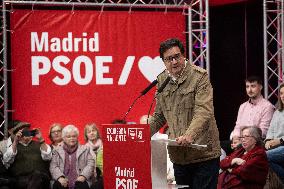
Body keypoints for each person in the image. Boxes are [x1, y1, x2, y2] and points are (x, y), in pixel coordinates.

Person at [149, 38, 220, 189]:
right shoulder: (162, 80)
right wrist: (140, 134)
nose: (174, 62)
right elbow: (159, 116)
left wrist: (190, 135)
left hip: (203, 155)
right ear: (163, 61)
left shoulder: (199, 76)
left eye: (177, 56)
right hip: (179, 156)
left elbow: (203, 111)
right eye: (169, 59)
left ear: (183, 55)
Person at [3, 121, 52, 189]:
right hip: (22, 179)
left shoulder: (40, 144)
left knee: (37, 175)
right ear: (17, 134)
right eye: (23, 132)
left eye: (27, 131)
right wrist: (15, 141)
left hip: (42, 178)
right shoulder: (13, 147)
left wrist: (40, 139)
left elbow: (48, 157)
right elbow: (6, 161)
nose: (26, 134)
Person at [50, 124, 95, 189]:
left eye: (74, 136)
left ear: (77, 137)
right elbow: (53, 166)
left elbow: (90, 164)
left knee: (81, 186)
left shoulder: (85, 149)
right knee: (59, 185)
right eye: (68, 137)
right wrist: (60, 177)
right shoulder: (56, 151)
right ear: (64, 138)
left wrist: (83, 176)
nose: (72, 139)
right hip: (61, 179)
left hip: (81, 179)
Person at [265, 83, 284, 183]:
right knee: (262, 157)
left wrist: (280, 140)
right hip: (275, 146)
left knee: (261, 156)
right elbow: (271, 130)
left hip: (282, 145)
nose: (283, 96)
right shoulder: (278, 112)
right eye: (281, 93)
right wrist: (268, 140)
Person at [84, 123, 103, 189]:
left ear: (97, 132)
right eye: (89, 132)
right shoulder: (84, 148)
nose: (92, 133)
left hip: (104, 174)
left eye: (93, 130)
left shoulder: (105, 144)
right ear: (86, 135)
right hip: (91, 176)